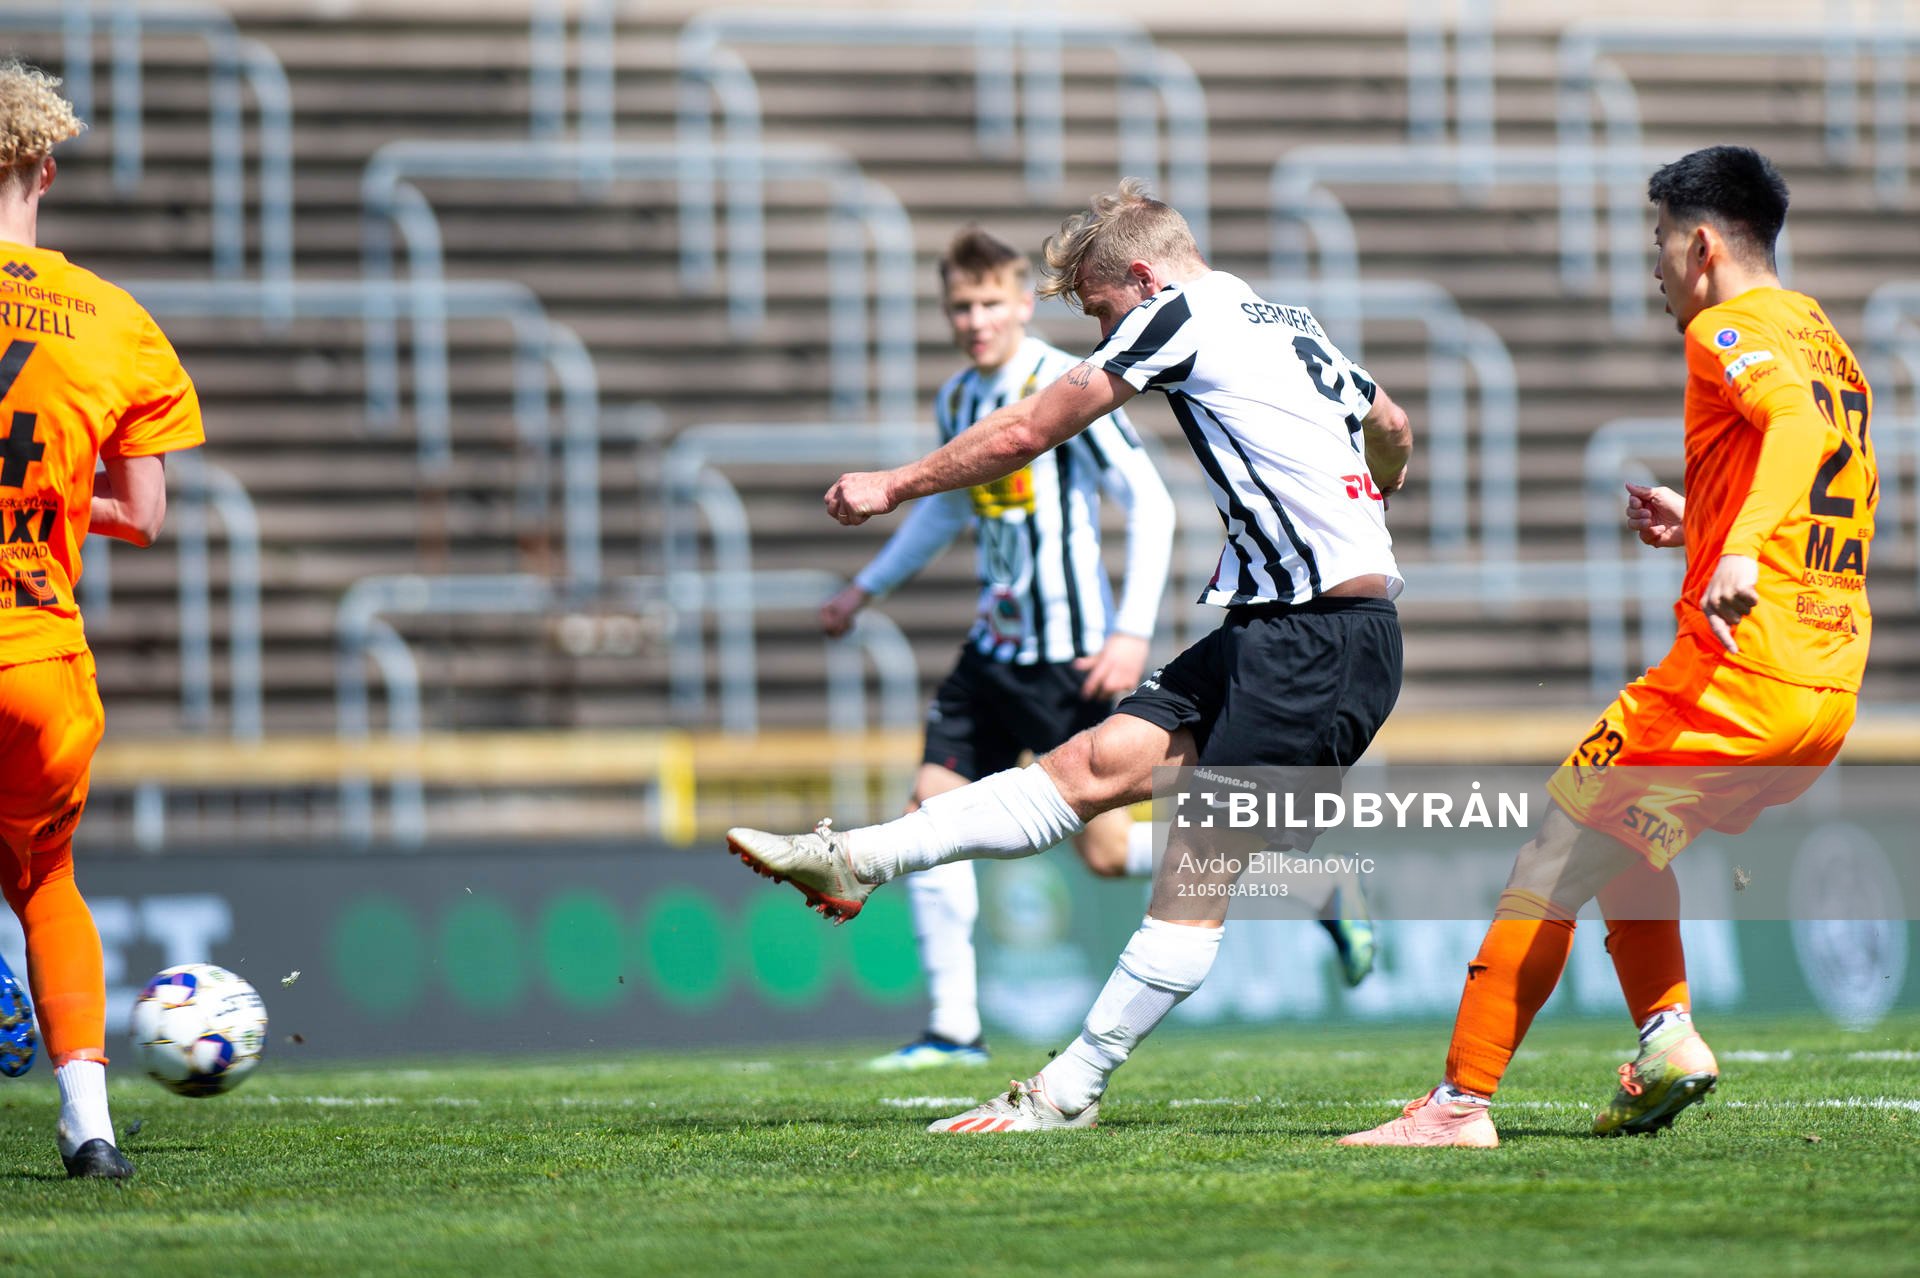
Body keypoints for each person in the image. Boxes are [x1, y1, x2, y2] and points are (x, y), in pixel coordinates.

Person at [728, 178, 1412, 1129]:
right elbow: (1392, 426)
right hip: (1275, 628)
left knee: (1192, 876)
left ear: (1140, 276)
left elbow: (1029, 429)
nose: (1101, 333)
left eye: (1098, 310)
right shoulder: (1282, 314)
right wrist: (1371, 507)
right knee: (1090, 767)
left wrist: (894, 483)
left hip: (1319, 644)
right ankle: (858, 859)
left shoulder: (1176, 316)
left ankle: (1066, 1090)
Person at [1342, 145, 1874, 1148]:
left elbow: (1796, 436)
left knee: (1553, 843)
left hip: (1739, 670)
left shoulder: (1728, 327)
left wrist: (1740, 551)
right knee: (1627, 832)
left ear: (1704, 244)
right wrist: (1706, 520)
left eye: (1661, 243)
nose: (1654, 266)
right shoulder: (1823, 335)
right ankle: (1667, 1040)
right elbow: (1816, 455)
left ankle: (1458, 1107)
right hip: (1827, 681)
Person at [820, 226, 1178, 1069]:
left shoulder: (1064, 381)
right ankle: (953, 1031)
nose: (975, 320)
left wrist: (1131, 632)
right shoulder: (957, 401)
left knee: (1106, 852)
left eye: (989, 303)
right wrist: (865, 588)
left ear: (1023, 303)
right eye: (960, 306)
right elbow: (947, 510)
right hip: (995, 650)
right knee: (928, 806)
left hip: (1075, 654)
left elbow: (1151, 505)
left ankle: (1300, 882)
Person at [0, 62, 206, 1178]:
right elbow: (145, 512)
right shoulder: (115, 320)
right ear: (47, 168)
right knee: (47, 876)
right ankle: (91, 1130)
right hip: (38, 659)